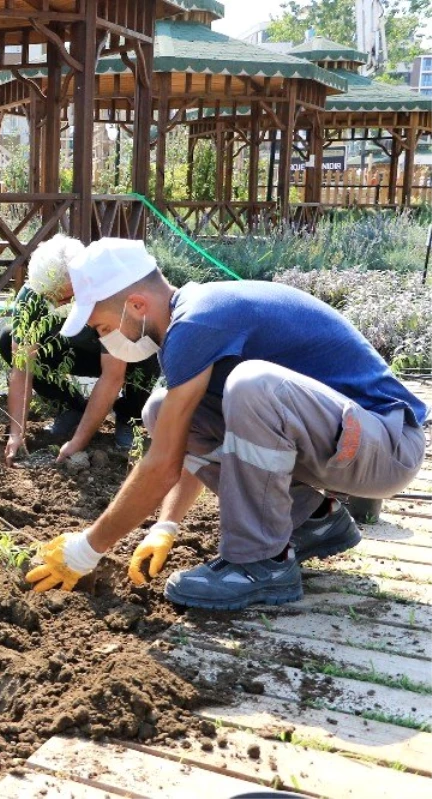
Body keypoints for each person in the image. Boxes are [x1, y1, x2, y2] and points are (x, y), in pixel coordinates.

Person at [24, 238, 427, 611]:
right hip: (346, 444)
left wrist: (87, 549)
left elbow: (162, 464)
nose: (104, 340)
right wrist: (166, 524)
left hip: (387, 447)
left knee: (253, 386)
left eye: (103, 328)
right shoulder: (191, 321)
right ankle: (313, 520)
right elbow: (178, 444)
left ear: (136, 305)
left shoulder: (197, 324)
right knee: (161, 410)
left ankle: (260, 563)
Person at [0, 234, 159, 465]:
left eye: (64, 296)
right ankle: (72, 406)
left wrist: (79, 441)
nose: (59, 303)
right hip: (76, 347)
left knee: (145, 346)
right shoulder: (33, 294)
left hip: (123, 352)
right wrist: (17, 432)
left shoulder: (109, 292)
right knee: (8, 341)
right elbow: (22, 368)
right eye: (51, 298)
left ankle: (129, 417)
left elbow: (113, 376)